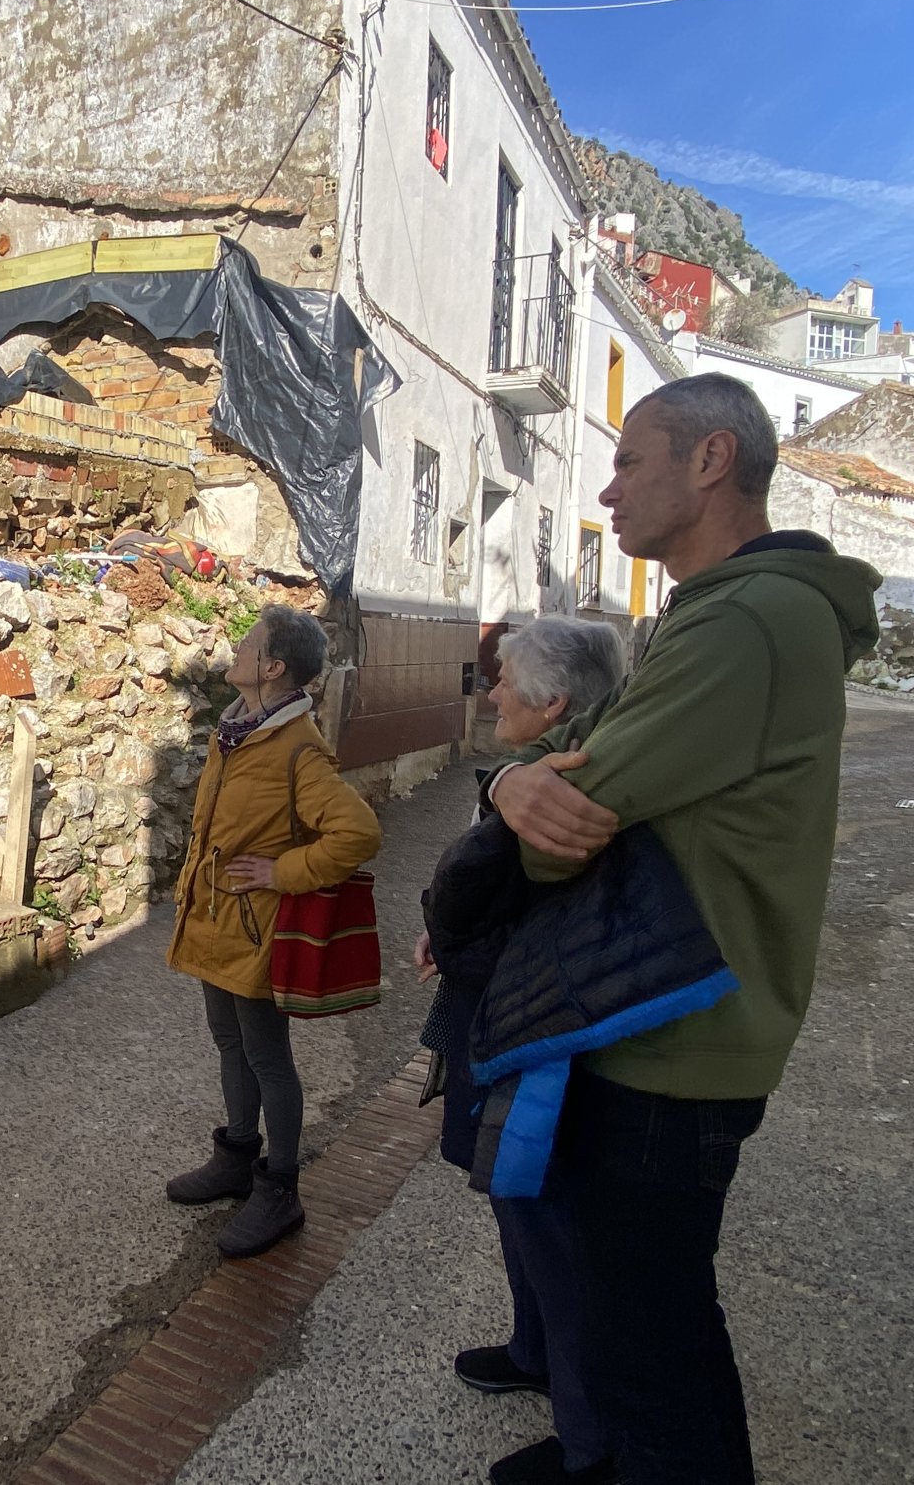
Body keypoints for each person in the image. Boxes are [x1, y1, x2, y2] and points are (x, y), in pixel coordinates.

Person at [484, 373, 880, 1485]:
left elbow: (573, 814)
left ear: (710, 461)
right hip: (660, 1008)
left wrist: (515, 800)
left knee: (653, 1336)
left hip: (676, 1025)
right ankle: (602, 1457)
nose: (607, 490)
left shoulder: (746, 620)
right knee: (631, 1310)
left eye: (627, 461)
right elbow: (556, 771)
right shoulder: (710, 611)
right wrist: (512, 785)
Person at [414, 617, 626, 1485]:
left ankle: (588, 1445)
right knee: (517, 1210)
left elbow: (540, 929)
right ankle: (533, 1352)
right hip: (500, 1026)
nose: (491, 691)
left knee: (553, 1231)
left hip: (531, 1041)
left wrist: (452, 936)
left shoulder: (562, 794)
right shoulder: (527, 778)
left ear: (556, 704)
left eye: (505, 679)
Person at [164, 604, 381, 1258]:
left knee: (266, 1055)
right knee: (228, 1040)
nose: (236, 649)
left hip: (256, 929)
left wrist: (283, 872)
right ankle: (236, 1158)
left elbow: (357, 832)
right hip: (213, 919)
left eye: (248, 644)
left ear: (273, 667)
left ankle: (280, 1188)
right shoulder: (234, 729)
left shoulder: (296, 748)